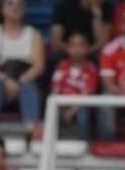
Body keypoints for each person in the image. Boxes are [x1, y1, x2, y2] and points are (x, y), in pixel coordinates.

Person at [0, 0, 44, 143]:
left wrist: (17, 82)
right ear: (2, 9)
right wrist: (7, 80)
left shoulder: (34, 34)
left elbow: (38, 67)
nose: (15, 7)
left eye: (20, 4)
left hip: (25, 79)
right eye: (10, 3)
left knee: (29, 86)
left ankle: (32, 129)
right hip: (0, 79)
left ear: (25, 9)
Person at [51, 32, 100, 142]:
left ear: (88, 48)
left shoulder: (90, 68)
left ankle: (83, 144)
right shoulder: (62, 65)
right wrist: (56, 104)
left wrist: (72, 111)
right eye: (72, 45)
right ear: (67, 48)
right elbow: (56, 88)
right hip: (62, 102)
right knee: (52, 111)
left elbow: (86, 93)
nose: (76, 49)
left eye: (80, 45)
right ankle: (52, 144)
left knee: (83, 116)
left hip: (81, 104)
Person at [99, 8, 125, 142]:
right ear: (121, 25)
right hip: (117, 94)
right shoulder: (110, 49)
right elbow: (108, 84)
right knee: (105, 99)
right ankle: (107, 143)